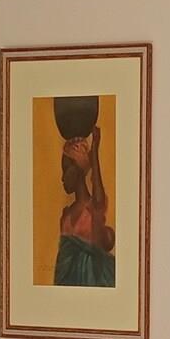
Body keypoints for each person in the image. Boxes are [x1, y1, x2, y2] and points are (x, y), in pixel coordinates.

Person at [55, 123, 115, 287]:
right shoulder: (66, 215)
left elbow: (97, 187)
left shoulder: (95, 205)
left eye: (66, 169)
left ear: (78, 169)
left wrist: (94, 151)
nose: (63, 178)